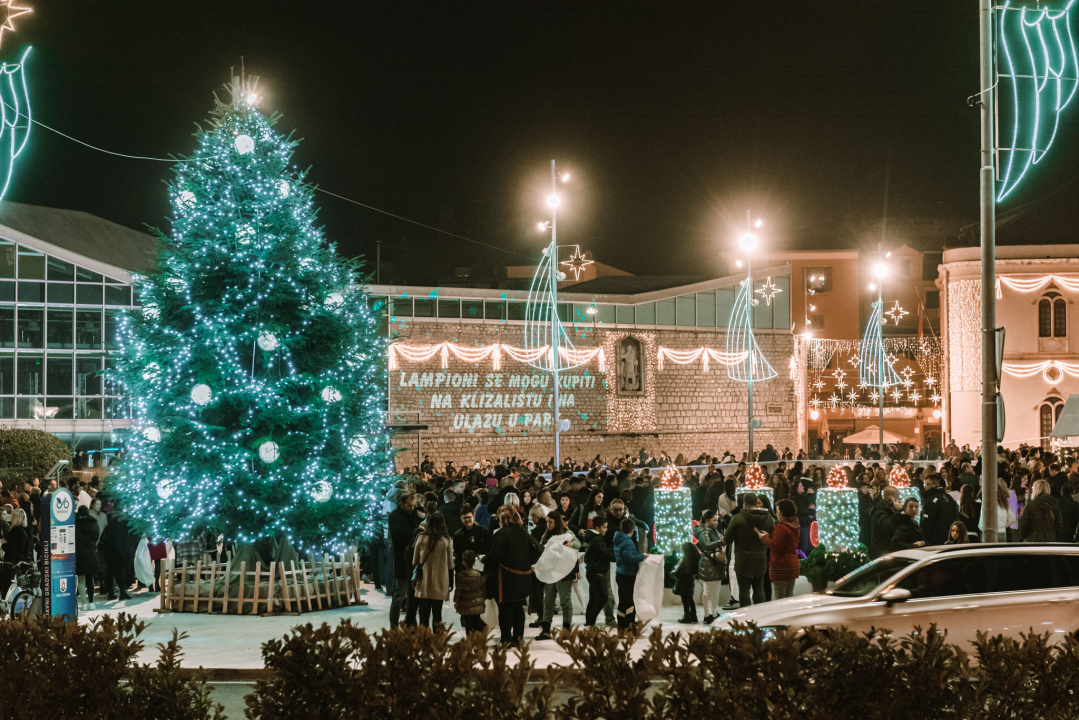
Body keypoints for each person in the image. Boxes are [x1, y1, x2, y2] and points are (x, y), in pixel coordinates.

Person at [484, 505, 540, 648]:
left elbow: (494, 556)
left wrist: (484, 560)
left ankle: (506, 639)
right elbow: (538, 550)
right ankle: (518, 638)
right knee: (518, 607)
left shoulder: (501, 534)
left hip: (505, 578)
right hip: (523, 577)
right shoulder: (523, 532)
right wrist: (526, 563)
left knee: (505, 609)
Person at [723, 492, 775, 609]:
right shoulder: (768, 518)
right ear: (756, 502)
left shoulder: (737, 518)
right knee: (759, 588)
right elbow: (772, 535)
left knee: (744, 590)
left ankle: (746, 618)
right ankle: (760, 616)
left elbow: (727, 539)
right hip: (760, 558)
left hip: (743, 559)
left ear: (744, 503)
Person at [537, 511, 580, 640]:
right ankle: (545, 629)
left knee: (565, 600)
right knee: (548, 600)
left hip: (564, 572)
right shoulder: (546, 535)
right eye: (547, 522)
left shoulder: (567, 532)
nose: (548, 525)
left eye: (551, 522)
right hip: (550, 571)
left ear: (557, 522)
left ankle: (566, 630)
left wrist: (571, 544)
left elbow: (577, 543)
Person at [412, 513, 454, 628]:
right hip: (440, 581)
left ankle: (424, 640)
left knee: (423, 615)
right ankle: (437, 641)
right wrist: (451, 583)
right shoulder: (447, 540)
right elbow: (450, 564)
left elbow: (415, 560)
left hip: (423, 581)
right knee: (437, 615)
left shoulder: (421, 537)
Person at [388, 492, 421, 628]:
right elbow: (399, 534)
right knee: (399, 596)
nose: (412, 508)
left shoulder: (414, 514)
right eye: (409, 506)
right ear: (401, 504)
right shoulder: (394, 516)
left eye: (413, 506)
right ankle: (394, 626)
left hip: (413, 560)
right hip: (402, 560)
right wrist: (416, 531)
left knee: (412, 597)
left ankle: (411, 624)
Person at [759, 498, 800, 599]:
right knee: (789, 595)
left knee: (780, 598)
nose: (776, 514)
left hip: (781, 566)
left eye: (777, 511)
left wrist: (764, 539)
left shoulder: (781, 527)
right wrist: (770, 535)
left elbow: (775, 546)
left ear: (783, 512)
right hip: (793, 564)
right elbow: (785, 542)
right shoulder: (794, 524)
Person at [613, 517, 646, 630]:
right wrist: (642, 556)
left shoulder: (618, 540)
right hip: (628, 574)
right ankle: (631, 626)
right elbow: (629, 557)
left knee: (622, 601)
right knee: (630, 601)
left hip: (620, 573)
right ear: (632, 530)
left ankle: (621, 625)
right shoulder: (627, 541)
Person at [582, 517, 612, 627]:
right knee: (602, 597)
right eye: (604, 527)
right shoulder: (597, 540)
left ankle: (589, 622)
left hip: (592, 572)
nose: (606, 530)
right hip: (596, 572)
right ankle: (590, 621)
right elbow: (604, 554)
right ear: (597, 528)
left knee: (594, 598)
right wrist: (617, 556)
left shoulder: (592, 538)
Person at [697, 509, 725, 623]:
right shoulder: (705, 532)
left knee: (715, 591)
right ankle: (707, 614)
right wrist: (721, 542)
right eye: (714, 520)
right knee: (708, 592)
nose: (716, 522)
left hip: (714, 563)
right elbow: (707, 545)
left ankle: (713, 612)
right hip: (709, 565)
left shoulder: (713, 531)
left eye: (717, 520)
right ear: (707, 520)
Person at [75, 505, 103, 611]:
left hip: (79, 552)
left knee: (81, 579)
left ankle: (84, 603)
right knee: (90, 578)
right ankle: (91, 602)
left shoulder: (75, 523)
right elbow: (96, 536)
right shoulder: (93, 522)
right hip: (90, 552)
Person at [919, 474, 959, 546]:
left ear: (934, 485)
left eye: (927, 484)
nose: (925, 487)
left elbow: (927, 522)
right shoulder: (949, 498)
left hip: (934, 541)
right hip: (950, 539)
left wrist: (924, 538)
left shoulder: (932, 500)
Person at [454, 549, 487, 635]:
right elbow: (484, 591)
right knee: (477, 624)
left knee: (468, 625)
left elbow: (458, 591)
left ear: (463, 562)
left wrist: (456, 602)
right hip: (477, 605)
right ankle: (478, 642)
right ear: (474, 562)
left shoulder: (461, 576)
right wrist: (482, 600)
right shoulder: (480, 575)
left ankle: (469, 643)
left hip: (466, 605)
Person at [452, 507, 491, 572]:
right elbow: (457, 552)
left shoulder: (484, 532)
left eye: (469, 517)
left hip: (481, 569)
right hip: (464, 570)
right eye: (464, 518)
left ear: (474, 517)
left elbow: (489, 550)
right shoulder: (457, 535)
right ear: (461, 519)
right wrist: (454, 557)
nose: (467, 520)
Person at [672, 541, 700, 624]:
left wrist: (673, 572)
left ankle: (686, 616)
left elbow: (677, 573)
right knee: (690, 599)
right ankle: (694, 616)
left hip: (683, 583)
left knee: (685, 600)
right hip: (690, 582)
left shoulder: (685, 561)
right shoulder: (694, 560)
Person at [869, 487, 901, 559]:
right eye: (898, 496)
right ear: (890, 498)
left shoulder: (892, 509)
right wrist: (898, 511)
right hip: (881, 551)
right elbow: (889, 526)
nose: (900, 499)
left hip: (890, 549)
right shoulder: (878, 511)